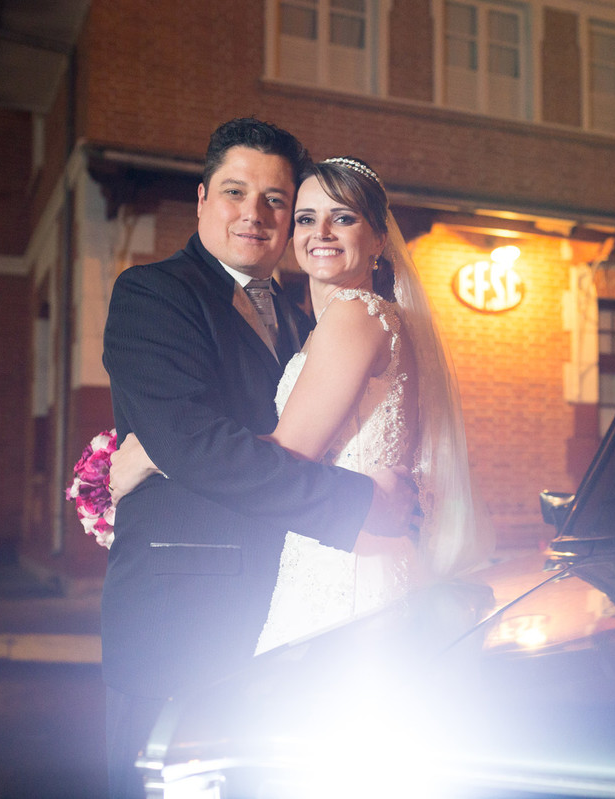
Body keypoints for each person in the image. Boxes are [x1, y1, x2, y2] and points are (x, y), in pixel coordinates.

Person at [100, 119, 416, 799]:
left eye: (276, 200)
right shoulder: (153, 295)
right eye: (235, 192)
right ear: (202, 200)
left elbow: (220, 437)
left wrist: (156, 453)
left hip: (288, 607)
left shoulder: (314, 321)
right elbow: (195, 440)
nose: (255, 213)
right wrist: (358, 501)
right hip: (183, 611)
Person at [113, 155, 490, 652]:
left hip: (344, 563)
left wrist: (155, 453)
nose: (322, 232)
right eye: (307, 219)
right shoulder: (332, 323)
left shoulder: (353, 315)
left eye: (345, 218)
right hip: (342, 546)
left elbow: (287, 452)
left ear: (379, 239)